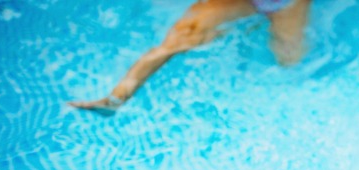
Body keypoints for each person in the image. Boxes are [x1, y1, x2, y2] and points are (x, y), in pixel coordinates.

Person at [69, 0, 311, 113]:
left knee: (290, 59)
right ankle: (116, 99)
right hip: (241, 2)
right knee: (177, 41)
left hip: (287, 4)